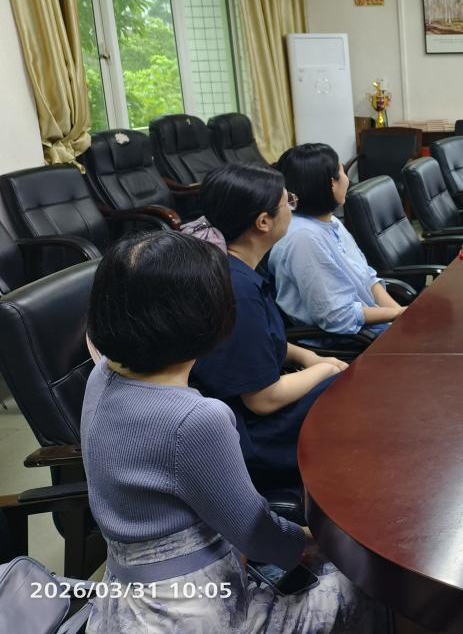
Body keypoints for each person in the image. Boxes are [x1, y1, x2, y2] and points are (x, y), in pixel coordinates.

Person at [81, 231, 382, 632]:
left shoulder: (102, 375)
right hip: (195, 614)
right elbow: (257, 534)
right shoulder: (196, 418)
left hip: (125, 601)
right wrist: (330, 542)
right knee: (366, 586)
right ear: (207, 318)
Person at [191, 163, 346, 489]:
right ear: (263, 222)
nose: (292, 207)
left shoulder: (232, 267)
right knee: (352, 394)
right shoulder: (238, 290)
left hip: (255, 416)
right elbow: (262, 400)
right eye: (287, 201)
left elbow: (258, 340)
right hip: (253, 438)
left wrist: (306, 357)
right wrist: (325, 369)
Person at [271, 143, 403, 338]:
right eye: (342, 172)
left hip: (374, 327)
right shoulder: (303, 238)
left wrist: (401, 315)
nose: (347, 180)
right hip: (350, 341)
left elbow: (367, 279)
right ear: (332, 183)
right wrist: (398, 315)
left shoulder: (329, 220)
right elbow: (338, 317)